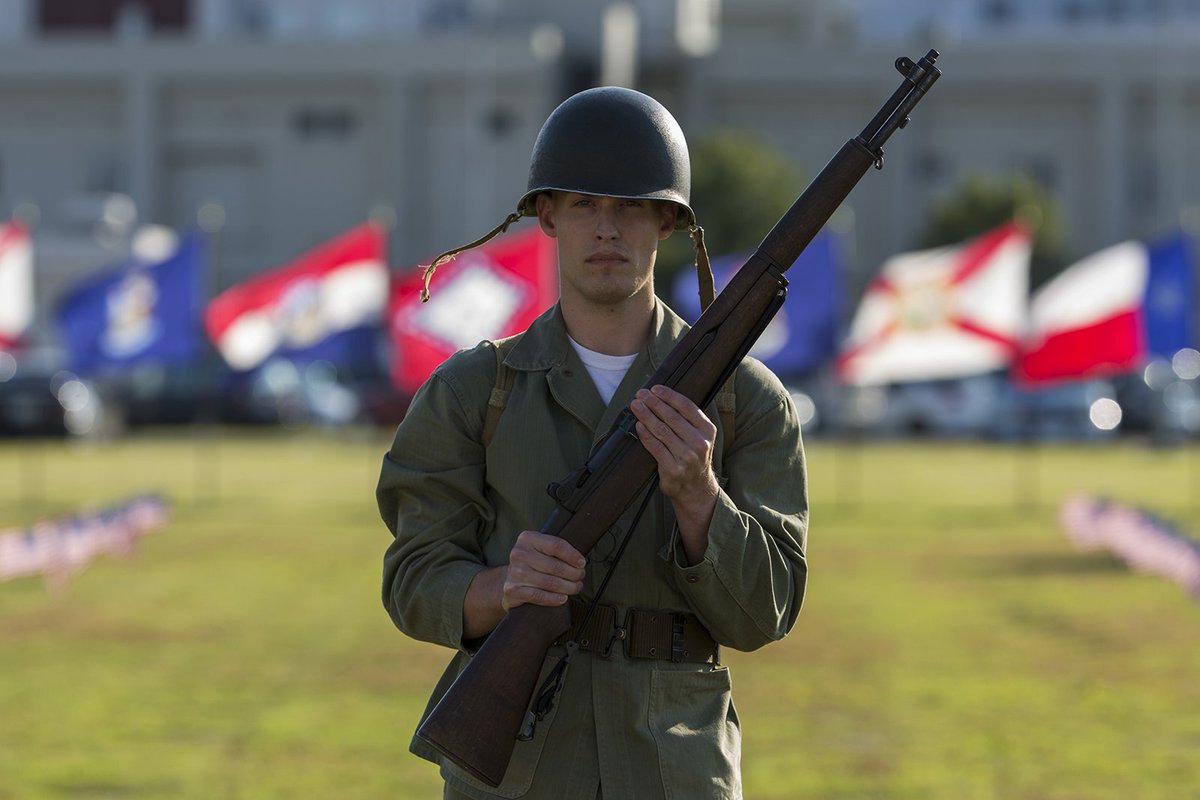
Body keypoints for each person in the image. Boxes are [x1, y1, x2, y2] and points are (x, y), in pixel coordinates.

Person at [377, 86, 808, 800]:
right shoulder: (474, 389)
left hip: (675, 764)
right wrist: (501, 589)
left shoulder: (745, 399)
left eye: (632, 205)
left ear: (667, 221)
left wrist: (701, 499)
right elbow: (413, 579)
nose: (608, 229)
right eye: (585, 204)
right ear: (547, 215)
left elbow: (766, 613)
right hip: (520, 766)